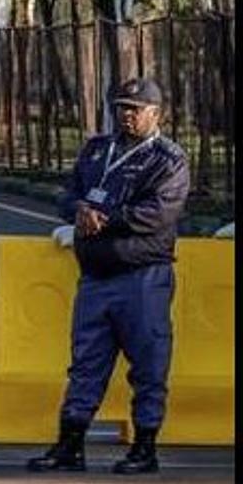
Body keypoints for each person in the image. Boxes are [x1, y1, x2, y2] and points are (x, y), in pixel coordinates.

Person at [26, 78, 189, 475]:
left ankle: (144, 447)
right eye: (122, 107)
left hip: (142, 277)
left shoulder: (168, 160)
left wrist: (106, 218)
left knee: (148, 365)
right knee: (85, 363)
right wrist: (79, 210)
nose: (127, 115)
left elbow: (159, 214)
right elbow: (68, 196)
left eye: (136, 108)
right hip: (96, 276)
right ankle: (70, 445)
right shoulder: (98, 149)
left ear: (157, 114)